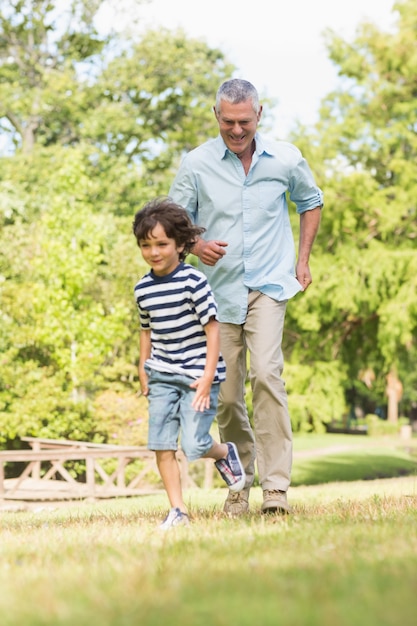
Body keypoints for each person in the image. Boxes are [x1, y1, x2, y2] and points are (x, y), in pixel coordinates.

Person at [169, 78, 323, 516]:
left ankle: (276, 490)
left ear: (260, 115)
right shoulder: (196, 164)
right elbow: (175, 222)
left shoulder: (286, 158)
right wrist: (196, 246)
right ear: (216, 116)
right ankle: (240, 483)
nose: (237, 131)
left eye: (244, 122)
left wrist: (303, 260)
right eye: (228, 122)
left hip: (269, 284)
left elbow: (311, 201)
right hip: (217, 296)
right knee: (229, 394)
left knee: (269, 377)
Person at [132, 197, 246, 529]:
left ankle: (225, 452)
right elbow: (145, 331)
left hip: (198, 374)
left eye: (162, 244)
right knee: (161, 442)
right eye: (145, 245)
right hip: (162, 375)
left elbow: (214, 331)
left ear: (180, 244)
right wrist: (143, 369)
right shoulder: (142, 289)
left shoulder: (193, 283)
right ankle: (178, 510)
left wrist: (209, 377)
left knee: (194, 444)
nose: (154, 252)